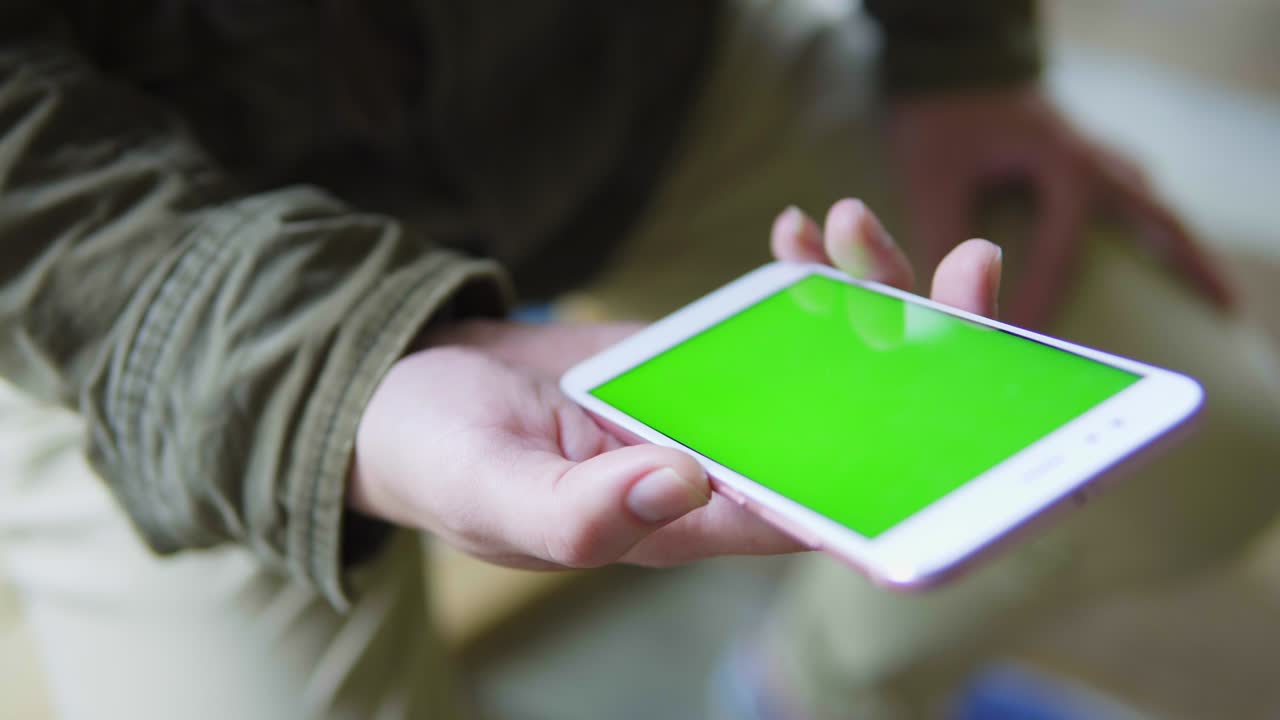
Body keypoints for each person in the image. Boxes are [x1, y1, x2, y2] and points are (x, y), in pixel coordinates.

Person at [1, 1, 1276, 719]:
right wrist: (332, 373)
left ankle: (801, 696)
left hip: (640, 87)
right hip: (134, 276)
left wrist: (958, 54)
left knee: (1211, 446)